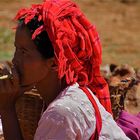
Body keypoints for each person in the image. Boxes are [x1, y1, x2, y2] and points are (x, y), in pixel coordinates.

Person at [0, 0, 130, 140]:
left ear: (54, 62)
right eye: (16, 49)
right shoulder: (71, 92)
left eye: (24, 52)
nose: (14, 60)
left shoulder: (60, 113)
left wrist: (6, 107)